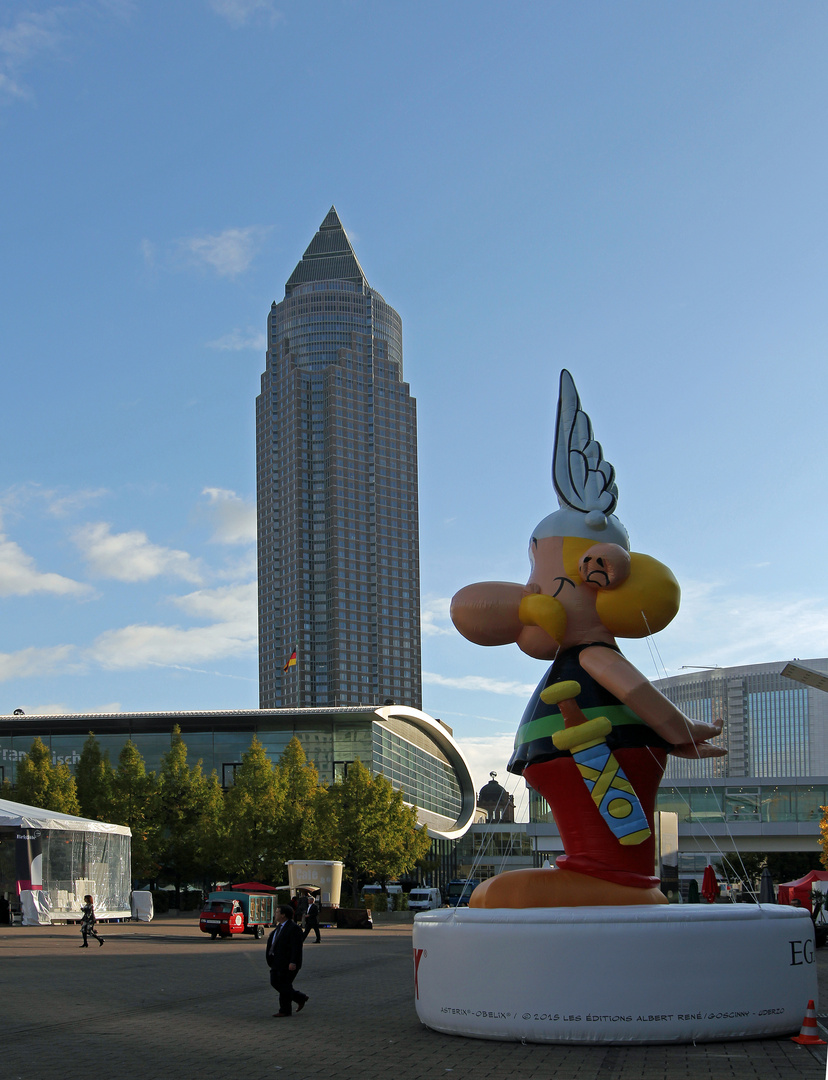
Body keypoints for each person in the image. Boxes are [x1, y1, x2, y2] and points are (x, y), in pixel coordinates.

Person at [265, 905, 308, 1017]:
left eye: (277, 912)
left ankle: (285, 1010)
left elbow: (296, 947)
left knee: (284, 983)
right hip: (276, 961)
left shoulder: (293, 928)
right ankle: (299, 997)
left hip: (288, 962)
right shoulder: (279, 927)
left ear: (283, 915)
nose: (275, 914)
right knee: (277, 982)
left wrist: (293, 962)